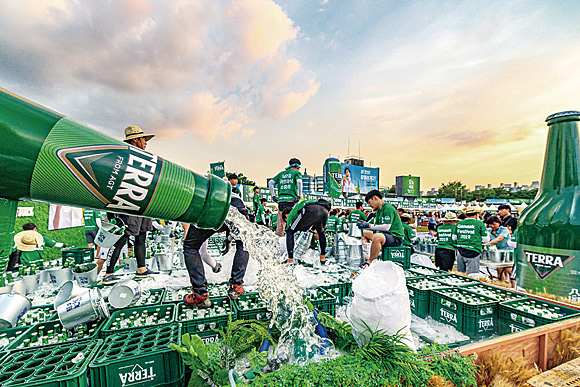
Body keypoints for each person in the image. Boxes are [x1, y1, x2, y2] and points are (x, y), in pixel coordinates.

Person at [99, 125, 157, 285]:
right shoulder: (124, 156)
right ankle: (108, 273)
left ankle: (141, 269)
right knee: (122, 238)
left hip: (143, 205)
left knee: (142, 236)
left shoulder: (146, 158)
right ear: (135, 140)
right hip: (128, 203)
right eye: (144, 139)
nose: (146, 143)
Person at [183, 190, 250, 307]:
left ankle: (200, 295)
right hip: (238, 208)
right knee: (243, 244)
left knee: (190, 247)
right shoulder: (238, 198)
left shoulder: (199, 192)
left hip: (212, 206)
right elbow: (233, 228)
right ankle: (236, 287)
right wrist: (229, 240)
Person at [356, 190, 404, 269]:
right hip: (385, 235)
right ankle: (367, 254)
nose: (369, 205)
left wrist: (369, 225)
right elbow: (375, 225)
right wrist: (363, 225)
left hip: (395, 237)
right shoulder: (378, 211)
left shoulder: (388, 208)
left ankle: (370, 261)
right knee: (364, 233)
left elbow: (386, 227)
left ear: (375, 198)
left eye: (369, 202)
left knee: (377, 237)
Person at [282, 199, 331, 265]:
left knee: (289, 232)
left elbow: (290, 229)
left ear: (286, 214)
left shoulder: (291, 215)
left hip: (310, 210)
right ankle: (323, 257)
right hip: (324, 211)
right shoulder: (301, 206)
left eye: (285, 218)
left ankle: (290, 259)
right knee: (321, 233)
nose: (286, 219)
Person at [269, 158, 303, 236]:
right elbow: (299, 182)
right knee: (293, 222)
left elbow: (271, 182)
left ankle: (278, 242)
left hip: (281, 201)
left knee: (281, 224)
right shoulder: (296, 173)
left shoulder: (281, 174)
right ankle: (291, 240)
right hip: (291, 201)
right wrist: (299, 195)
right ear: (297, 166)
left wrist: (273, 196)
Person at [453, 207, 489, 275]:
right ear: (476, 215)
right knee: (472, 276)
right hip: (473, 251)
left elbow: (454, 238)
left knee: (460, 275)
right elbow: (486, 240)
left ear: (466, 215)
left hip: (460, 250)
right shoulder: (479, 223)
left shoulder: (459, 223)